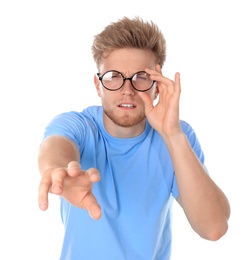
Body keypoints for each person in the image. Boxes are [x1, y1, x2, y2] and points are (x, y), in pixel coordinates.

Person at [38, 16, 230, 259]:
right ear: (98, 86)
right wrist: (57, 169)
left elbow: (214, 228)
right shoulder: (78, 125)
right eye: (113, 77)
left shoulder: (177, 137)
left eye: (141, 77)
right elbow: (56, 147)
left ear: (157, 86)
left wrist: (172, 134)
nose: (127, 90)